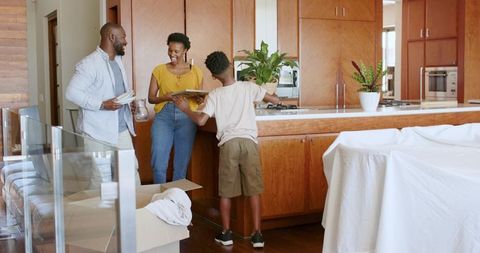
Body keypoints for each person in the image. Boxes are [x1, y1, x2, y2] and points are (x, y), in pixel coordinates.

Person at [173, 51, 280, 248]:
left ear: (213, 76)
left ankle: (226, 233)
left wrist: (186, 108)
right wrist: (271, 98)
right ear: (231, 65)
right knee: (254, 191)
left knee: (226, 192)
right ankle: (257, 235)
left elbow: (201, 120)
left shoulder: (214, 95)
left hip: (228, 145)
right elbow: (274, 100)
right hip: (249, 143)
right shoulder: (249, 87)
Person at [66, 22, 140, 187]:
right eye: (123, 37)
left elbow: (117, 90)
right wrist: (102, 104)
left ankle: (135, 212)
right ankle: (101, 213)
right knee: (101, 177)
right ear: (112, 37)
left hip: (121, 129)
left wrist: (130, 104)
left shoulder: (118, 61)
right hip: (96, 132)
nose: (126, 41)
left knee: (130, 172)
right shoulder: (89, 64)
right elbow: (71, 93)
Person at [147, 33, 203, 184]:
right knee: (158, 162)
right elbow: (151, 98)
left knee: (181, 166)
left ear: (185, 51)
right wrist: (166, 97)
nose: (172, 54)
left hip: (187, 117)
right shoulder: (159, 70)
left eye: (176, 51)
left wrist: (199, 98)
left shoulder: (197, 71)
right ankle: (160, 203)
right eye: (170, 50)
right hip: (163, 117)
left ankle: (176, 204)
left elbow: (200, 99)